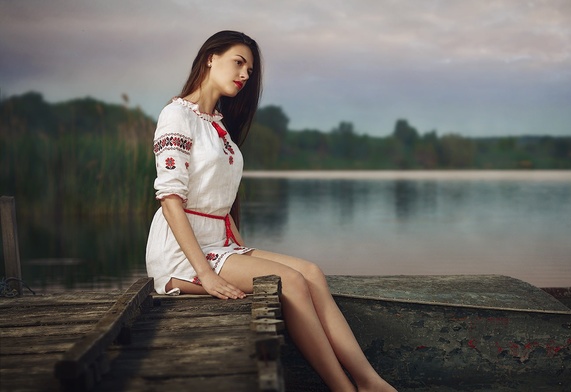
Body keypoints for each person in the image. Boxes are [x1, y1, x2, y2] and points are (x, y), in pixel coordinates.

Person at [145, 31, 396, 392]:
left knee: (310, 271)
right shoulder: (175, 116)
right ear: (210, 58)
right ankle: (343, 388)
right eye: (239, 62)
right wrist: (207, 274)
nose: (245, 75)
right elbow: (170, 199)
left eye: (250, 68)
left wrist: (245, 252)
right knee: (290, 281)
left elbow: (220, 202)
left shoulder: (218, 126)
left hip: (221, 245)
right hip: (182, 255)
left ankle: (369, 381)